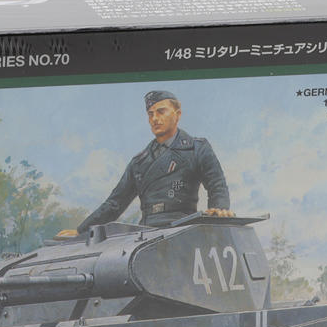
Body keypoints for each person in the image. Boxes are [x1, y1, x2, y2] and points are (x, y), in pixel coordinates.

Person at [57, 90, 232, 237]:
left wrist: (219, 208)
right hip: (146, 233)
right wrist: (81, 231)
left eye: (161, 112)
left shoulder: (197, 149)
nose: (155, 118)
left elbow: (217, 185)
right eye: (150, 114)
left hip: (182, 230)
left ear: (177, 114)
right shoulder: (139, 162)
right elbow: (114, 203)